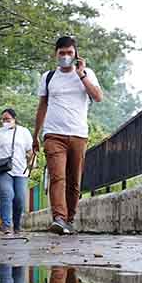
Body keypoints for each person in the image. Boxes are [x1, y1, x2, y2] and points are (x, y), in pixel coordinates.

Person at [33, 36, 104, 235]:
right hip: (53, 135)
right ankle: (59, 218)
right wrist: (36, 135)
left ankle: (69, 219)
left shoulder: (87, 74)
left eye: (69, 53)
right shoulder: (48, 77)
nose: (65, 56)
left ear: (76, 54)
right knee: (57, 177)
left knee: (74, 182)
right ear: (55, 54)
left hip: (78, 135)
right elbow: (42, 106)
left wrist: (82, 75)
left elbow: (98, 97)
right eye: (61, 53)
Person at [0, 108, 34, 234]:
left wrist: (30, 162)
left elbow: (30, 150)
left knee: (20, 199)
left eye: (7, 119)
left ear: (14, 119)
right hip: (4, 170)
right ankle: (6, 225)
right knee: (7, 195)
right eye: (3, 119)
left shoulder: (24, 132)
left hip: (21, 170)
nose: (5, 122)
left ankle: (17, 225)